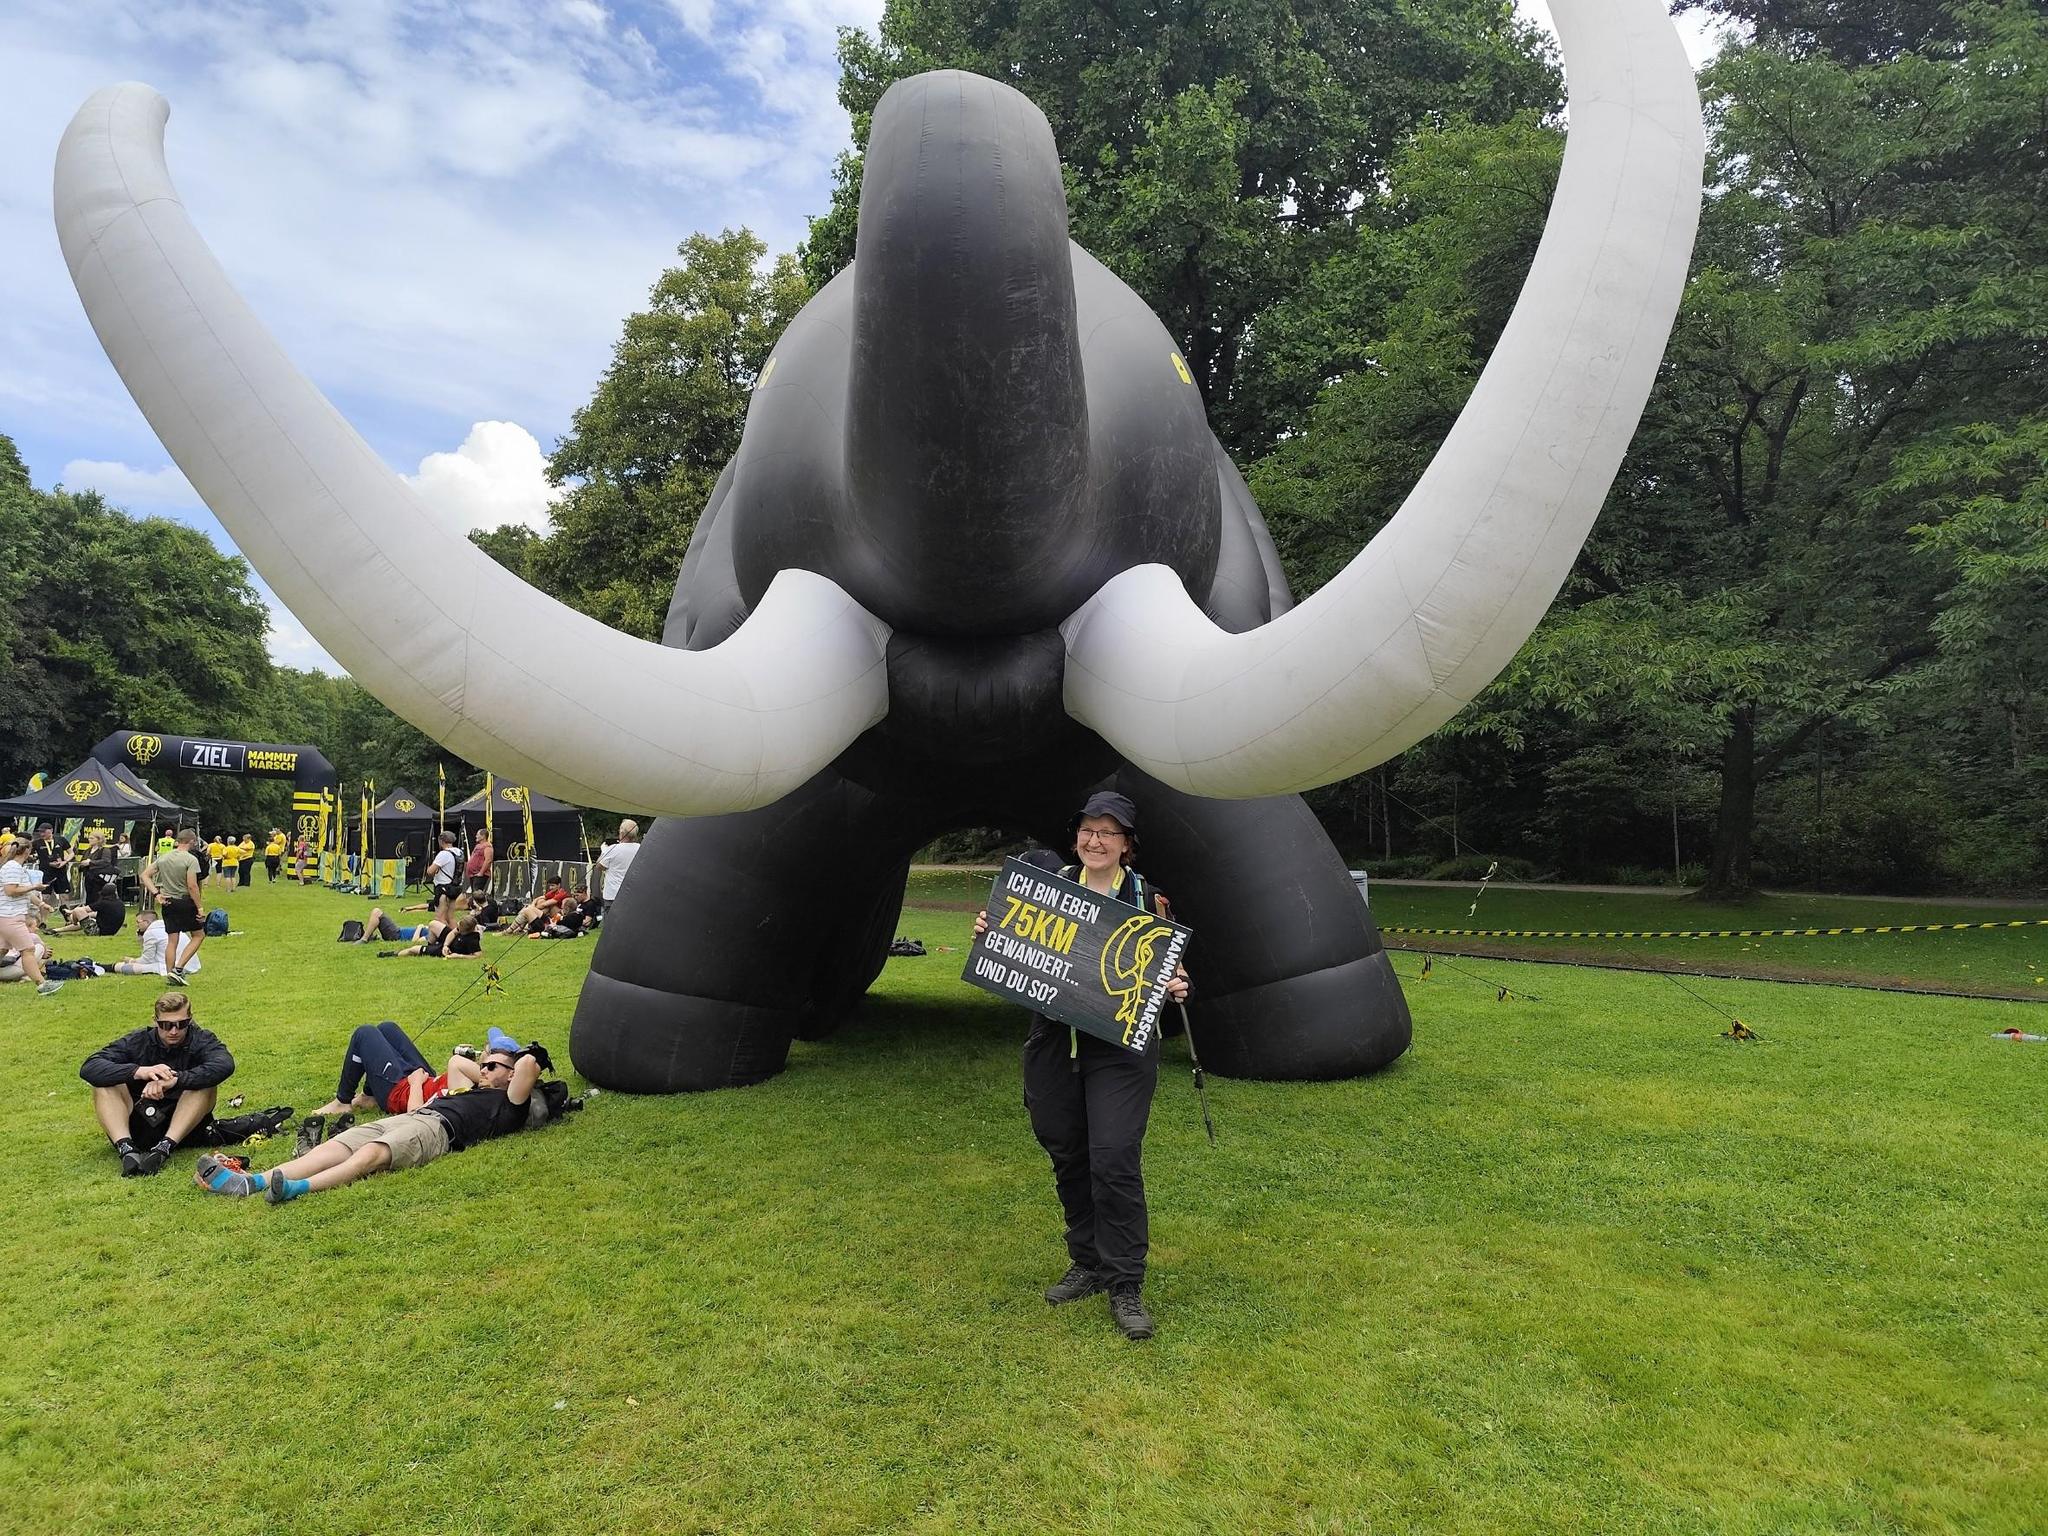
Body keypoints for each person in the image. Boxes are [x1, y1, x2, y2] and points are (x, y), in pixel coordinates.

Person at [973, 791, 1189, 1342]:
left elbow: (1166, 967)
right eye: (1088, 830)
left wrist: (1174, 984)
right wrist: (992, 934)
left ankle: (1125, 1282)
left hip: (1119, 1050)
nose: (1095, 840)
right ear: (1076, 837)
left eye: (1108, 832)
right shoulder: (1046, 890)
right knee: (1067, 1152)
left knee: (1113, 1158)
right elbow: (1016, 947)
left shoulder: (1148, 900)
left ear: (1126, 844)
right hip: (1053, 1039)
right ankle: (1087, 1261)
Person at [195, 1043, 558, 1201]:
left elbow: (528, 1065)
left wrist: (517, 1062)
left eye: (492, 1066)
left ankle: (294, 1189)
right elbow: (456, 1063)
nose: (483, 1069)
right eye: (484, 1064)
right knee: (339, 1144)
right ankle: (252, 1182)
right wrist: (488, 1069)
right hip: (414, 1116)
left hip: (436, 1131)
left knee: (370, 1154)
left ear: (513, 1076)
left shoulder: (510, 1104)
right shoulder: (472, 1087)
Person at [79, 991, 236, 1176]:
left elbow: (224, 1064)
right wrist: (139, 1072)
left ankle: (164, 1148)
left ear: (190, 1019)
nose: (174, 1031)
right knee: (103, 1082)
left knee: (205, 1083)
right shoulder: (138, 1041)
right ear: (155, 1021)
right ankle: (126, 1149)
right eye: (166, 1025)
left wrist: (175, 1080)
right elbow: (90, 1067)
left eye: (181, 1024)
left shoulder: (202, 1039)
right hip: (139, 1122)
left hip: (185, 1126)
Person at [304, 1020, 500, 1121]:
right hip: (425, 1081)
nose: (483, 1051)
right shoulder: (482, 1082)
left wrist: (415, 1083)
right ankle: (369, 1096)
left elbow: (415, 1113)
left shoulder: (483, 1084)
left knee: (364, 1033)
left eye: (489, 1053)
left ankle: (342, 1101)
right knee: (387, 1028)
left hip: (402, 1093)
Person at [0, 833, 62, 994]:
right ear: (27, 851)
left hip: (8, 916)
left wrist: (41, 904)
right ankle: (42, 985)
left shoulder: (16, 867)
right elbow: (11, 890)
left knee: (2, 950)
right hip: (10, 917)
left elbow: (24, 892)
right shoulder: (13, 868)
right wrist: (34, 887)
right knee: (28, 950)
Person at [142, 828, 206, 983]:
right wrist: (199, 907)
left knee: (172, 940)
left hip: (167, 902)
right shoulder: (190, 859)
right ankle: (179, 968)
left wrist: (156, 894)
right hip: (184, 901)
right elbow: (192, 886)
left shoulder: (164, 858)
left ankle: (170, 973)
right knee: (198, 935)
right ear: (192, 841)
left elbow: (145, 875)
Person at [591, 819, 640, 921]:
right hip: (633, 894)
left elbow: (599, 866)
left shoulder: (613, 849)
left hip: (613, 894)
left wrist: (604, 851)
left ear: (621, 833)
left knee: (611, 925)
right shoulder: (640, 848)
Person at [426, 830, 461, 924]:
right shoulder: (459, 852)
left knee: (440, 917)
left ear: (441, 841)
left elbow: (430, 871)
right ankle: (456, 933)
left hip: (443, 888)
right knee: (451, 917)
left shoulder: (443, 854)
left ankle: (442, 933)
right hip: (454, 887)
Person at [33, 823, 72, 899]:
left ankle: (64, 907)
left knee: (64, 894)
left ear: (51, 830)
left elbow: (71, 853)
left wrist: (65, 862)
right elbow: (29, 854)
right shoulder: (36, 842)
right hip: (45, 873)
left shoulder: (61, 840)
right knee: (45, 895)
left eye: (44, 831)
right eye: (40, 832)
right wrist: (33, 857)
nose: (42, 834)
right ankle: (46, 906)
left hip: (60, 872)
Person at [464, 831, 493, 901]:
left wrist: (481, 872)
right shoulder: (478, 846)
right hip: (473, 874)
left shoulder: (487, 846)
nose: (476, 836)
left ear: (483, 836)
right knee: (474, 892)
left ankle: (478, 906)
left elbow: (488, 860)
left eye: (477, 835)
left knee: (477, 893)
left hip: (480, 874)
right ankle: (475, 906)